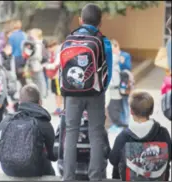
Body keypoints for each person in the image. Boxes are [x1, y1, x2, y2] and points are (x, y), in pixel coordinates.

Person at [62, 4, 113, 181]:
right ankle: (95, 177)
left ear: (80, 20)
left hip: (72, 92)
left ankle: (68, 176)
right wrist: (100, 90)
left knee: (71, 132)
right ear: (100, 22)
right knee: (96, 133)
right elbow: (109, 72)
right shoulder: (103, 41)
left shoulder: (69, 39)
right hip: (95, 93)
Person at [0, 83, 56, 177]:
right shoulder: (43, 122)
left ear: (19, 102)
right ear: (40, 102)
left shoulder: (7, 120)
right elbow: (53, 155)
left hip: (8, 169)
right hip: (35, 170)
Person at [109, 91, 171, 181]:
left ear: (131, 111)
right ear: (152, 111)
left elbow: (113, 160)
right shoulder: (163, 133)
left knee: (118, 164)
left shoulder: (123, 137)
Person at [111, 39, 132, 126]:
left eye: (113, 48)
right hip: (115, 83)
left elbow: (128, 67)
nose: (113, 51)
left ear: (117, 46)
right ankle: (121, 122)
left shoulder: (125, 55)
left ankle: (127, 122)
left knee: (124, 102)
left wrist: (121, 62)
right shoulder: (110, 56)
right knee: (117, 104)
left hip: (124, 82)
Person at [26, 28, 46, 98]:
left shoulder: (37, 44)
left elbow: (38, 56)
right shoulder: (36, 43)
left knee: (39, 81)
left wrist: (29, 57)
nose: (30, 35)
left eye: (31, 34)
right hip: (34, 65)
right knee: (36, 81)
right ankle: (38, 96)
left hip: (36, 65)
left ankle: (40, 96)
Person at [107, 49, 123, 132]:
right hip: (112, 92)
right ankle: (115, 125)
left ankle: (117, 125)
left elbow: (115, 82)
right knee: (112, 109)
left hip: (114, 91)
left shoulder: (114, 67)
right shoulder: (114, 66)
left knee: (114, 109)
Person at [44, 40, 62, 115]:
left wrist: (46, 66)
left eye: (49, 48)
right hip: (54, 76)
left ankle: (59, 109)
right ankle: (58, 108)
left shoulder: (59, 52)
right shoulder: (53, 53)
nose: (49, 50)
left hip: (57, 75)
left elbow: (56, 64)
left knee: (58, 93)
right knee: (56, 93)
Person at [8, 20, 27, 86]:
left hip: (15, 57)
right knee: (22, 74)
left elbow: (10, 48)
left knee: (15, 74)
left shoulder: (12, 36)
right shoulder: (24, 34)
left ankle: (16, 88)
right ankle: (24, 86)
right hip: (23, 57)